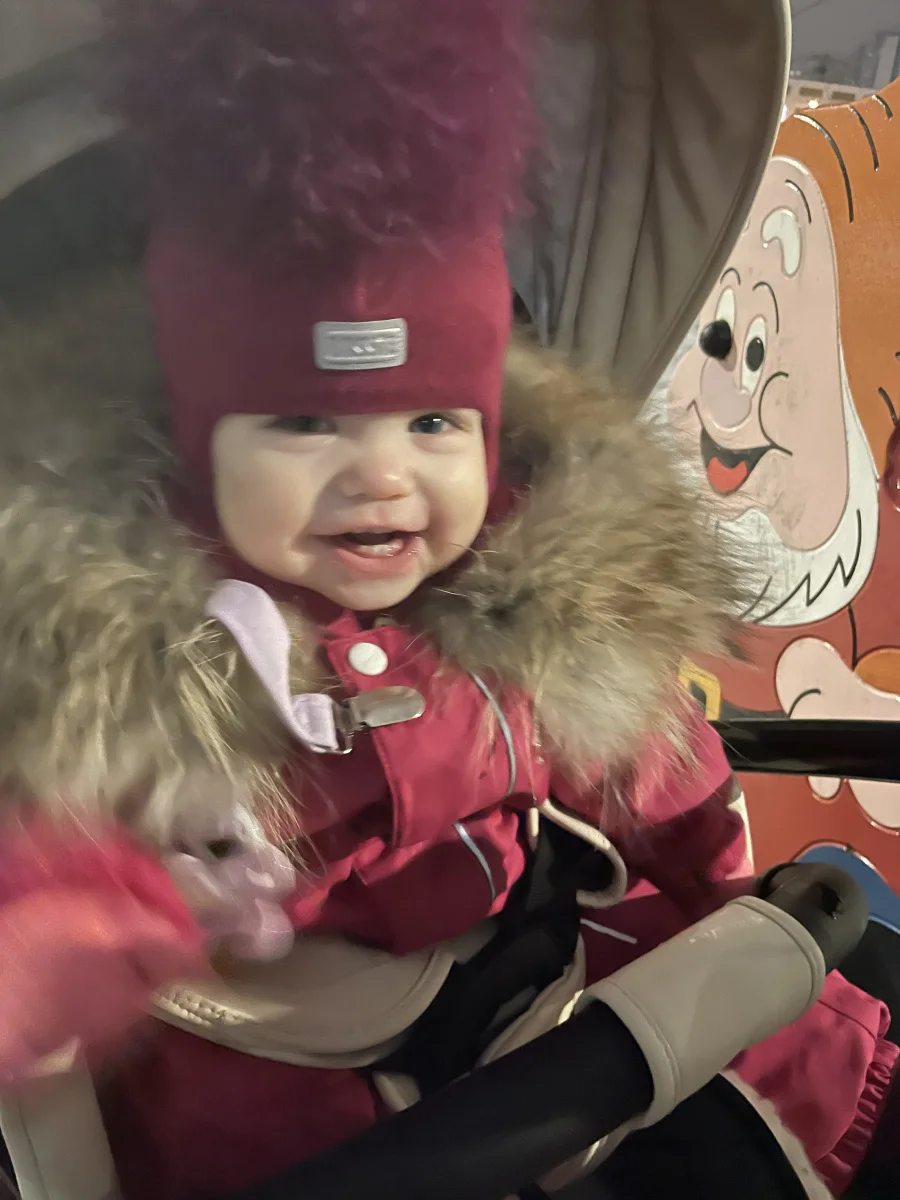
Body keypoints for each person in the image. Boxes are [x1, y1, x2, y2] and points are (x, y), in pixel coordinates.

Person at [0, 2, 896, 1199]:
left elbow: (657, 771)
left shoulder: (529, 597)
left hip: (560, 985)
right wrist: (89, 929)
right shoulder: (134, 664)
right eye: (304, 423)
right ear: (201, 448)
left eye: (433, 423)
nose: (381, 477)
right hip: (299, 1090)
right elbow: (57, 880)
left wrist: (725, 894)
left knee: (816, 1059)